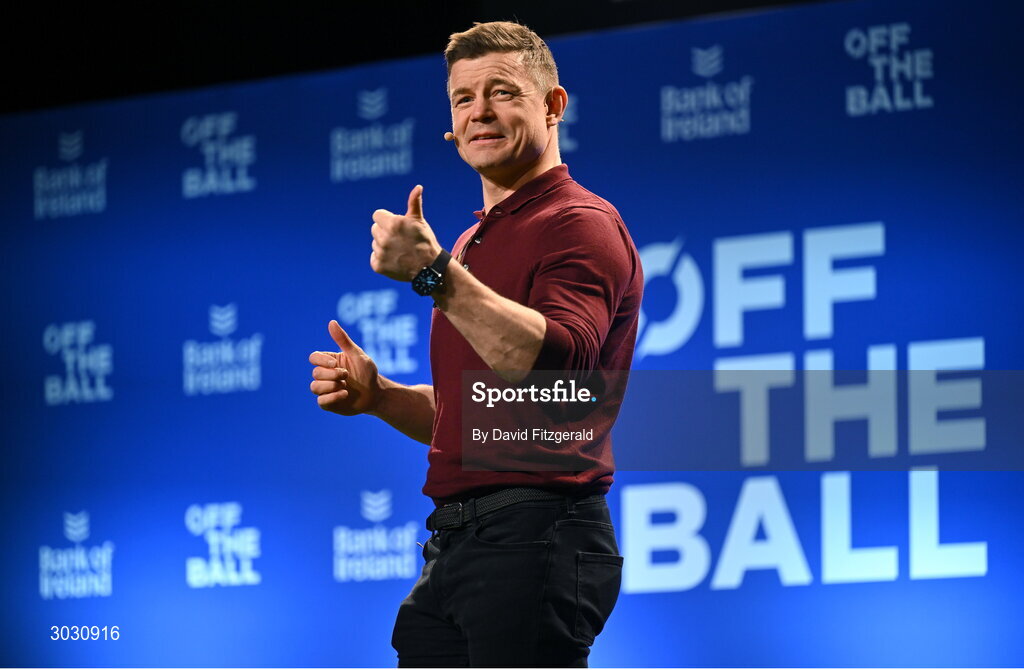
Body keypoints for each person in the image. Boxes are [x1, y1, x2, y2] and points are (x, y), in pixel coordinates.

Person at [309, 21, 643, 667]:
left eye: (502, 92)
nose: (479, 111)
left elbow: (557, 380)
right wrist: (380, 397)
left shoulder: (580, 223)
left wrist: (435, 276)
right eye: (463, 99)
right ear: (450, 124)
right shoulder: (469, 246)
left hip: (536, 532)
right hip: (458, 543)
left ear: (553, 106)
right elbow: (483, 416)